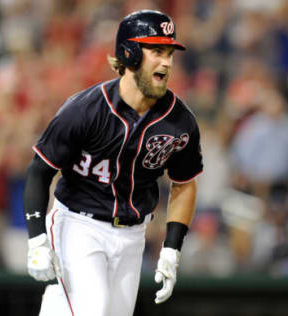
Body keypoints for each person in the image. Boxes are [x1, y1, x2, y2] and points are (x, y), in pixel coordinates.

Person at [22, 10, 203, 316]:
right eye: (157, 51)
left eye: (170, 53)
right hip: (79, 225)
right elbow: (40, 171)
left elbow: (184, 183)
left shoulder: (179, 120)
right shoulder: (85, 109)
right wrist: (37, 238)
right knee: (94, 309)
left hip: (133, 236)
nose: (167, 62)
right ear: (129, 53)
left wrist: (171, 249)